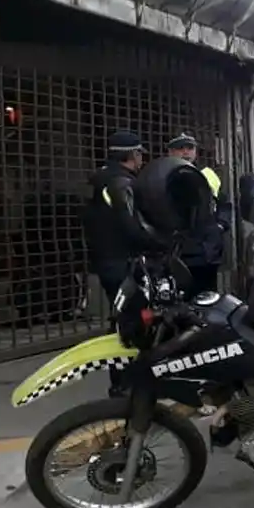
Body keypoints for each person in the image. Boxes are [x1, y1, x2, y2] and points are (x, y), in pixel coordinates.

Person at [82, 130, 163, 395]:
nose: (142, 160)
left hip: (107, 259)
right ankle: (126, 384)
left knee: (123, 319)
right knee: (131, 323)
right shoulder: (120, 183)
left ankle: (125, 381)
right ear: (133, 154)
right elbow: (132, 227)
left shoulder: (101, 180)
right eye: (140, 154)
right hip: (122, 262)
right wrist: (160, 243)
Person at [166, 133, 232, 295]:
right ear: (170, 152)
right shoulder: (165, 175)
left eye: (190, 148)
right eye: (180, 148)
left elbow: (223, 203)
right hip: (179, 251)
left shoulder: (208, 174)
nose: (186, 152)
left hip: (206, 252)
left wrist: (220, 225)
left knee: (208, 298)